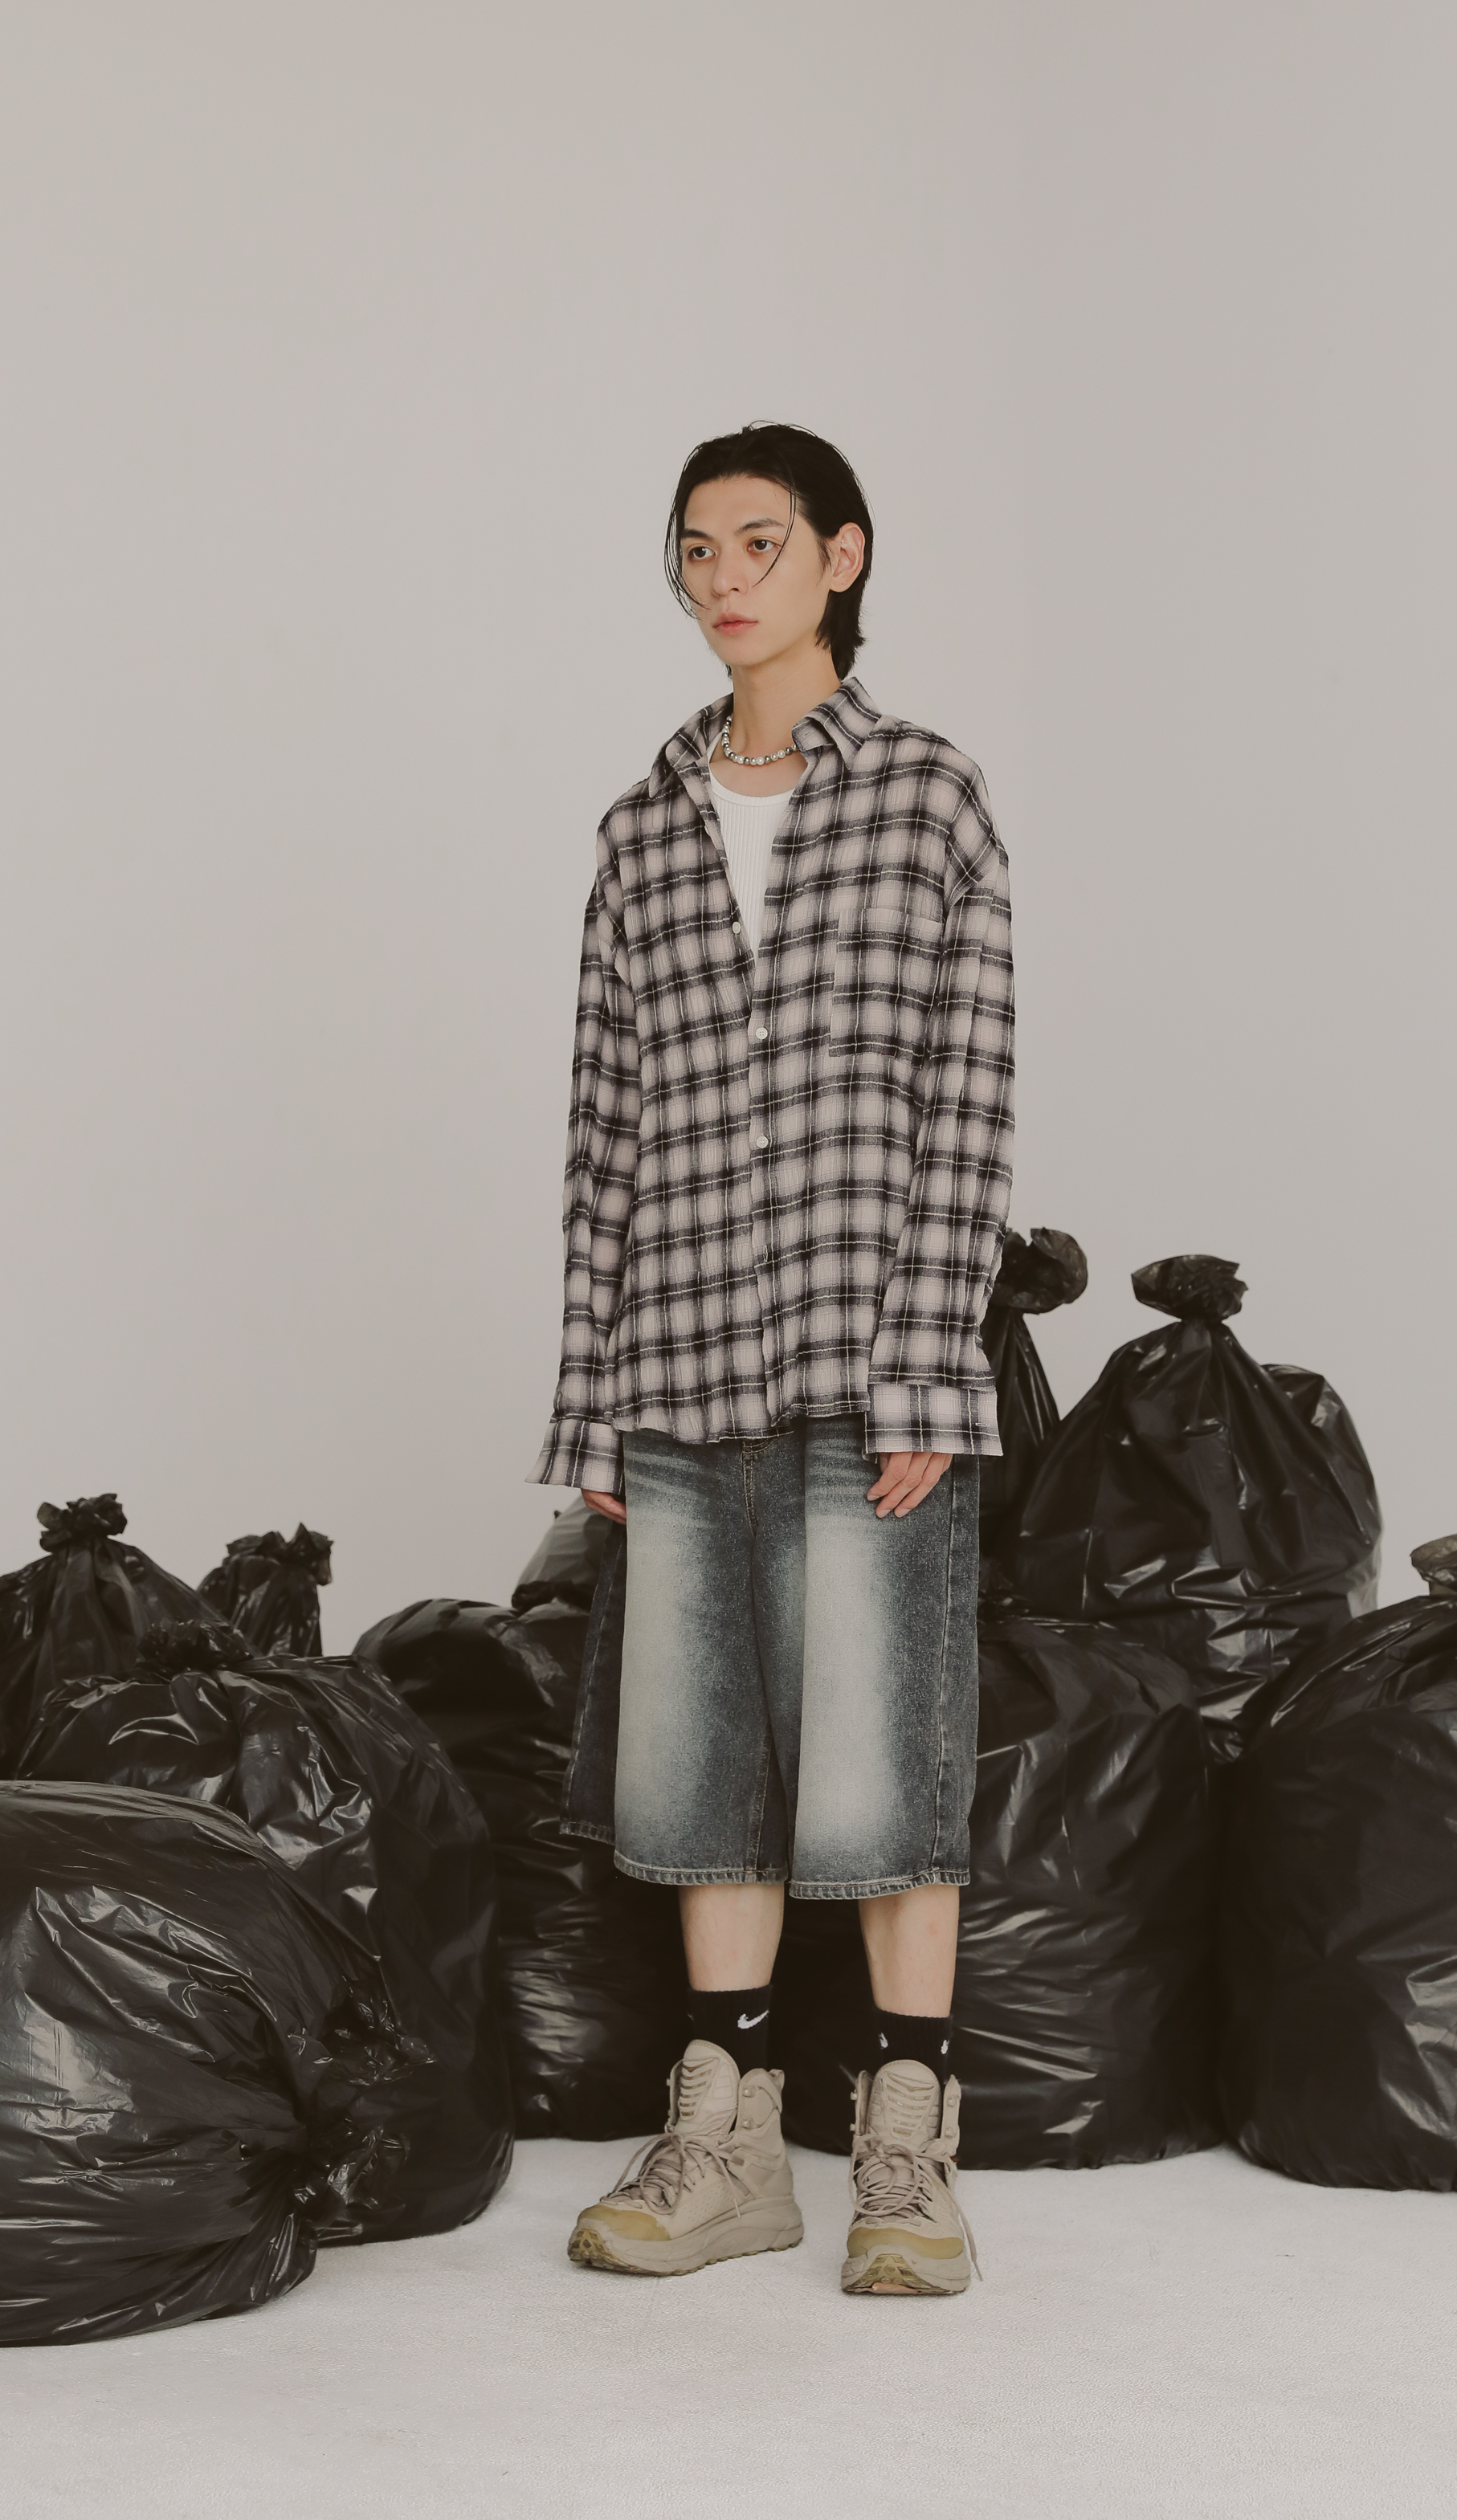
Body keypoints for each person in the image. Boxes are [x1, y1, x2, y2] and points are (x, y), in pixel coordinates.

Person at [526, 421, 1014, 2295]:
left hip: (869, 1359)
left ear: (840, 556)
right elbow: (605, 1133)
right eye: (694, 550)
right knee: (700, 1763)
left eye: (757, 542)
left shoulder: (928, 798)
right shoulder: (640, 830)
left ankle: (907, 2151)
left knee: (887, 1760)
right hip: (675, 1357)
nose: (722, 580)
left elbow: (965, 1103)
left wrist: (931, 1364)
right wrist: (589, 1399)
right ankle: (726, 2143)